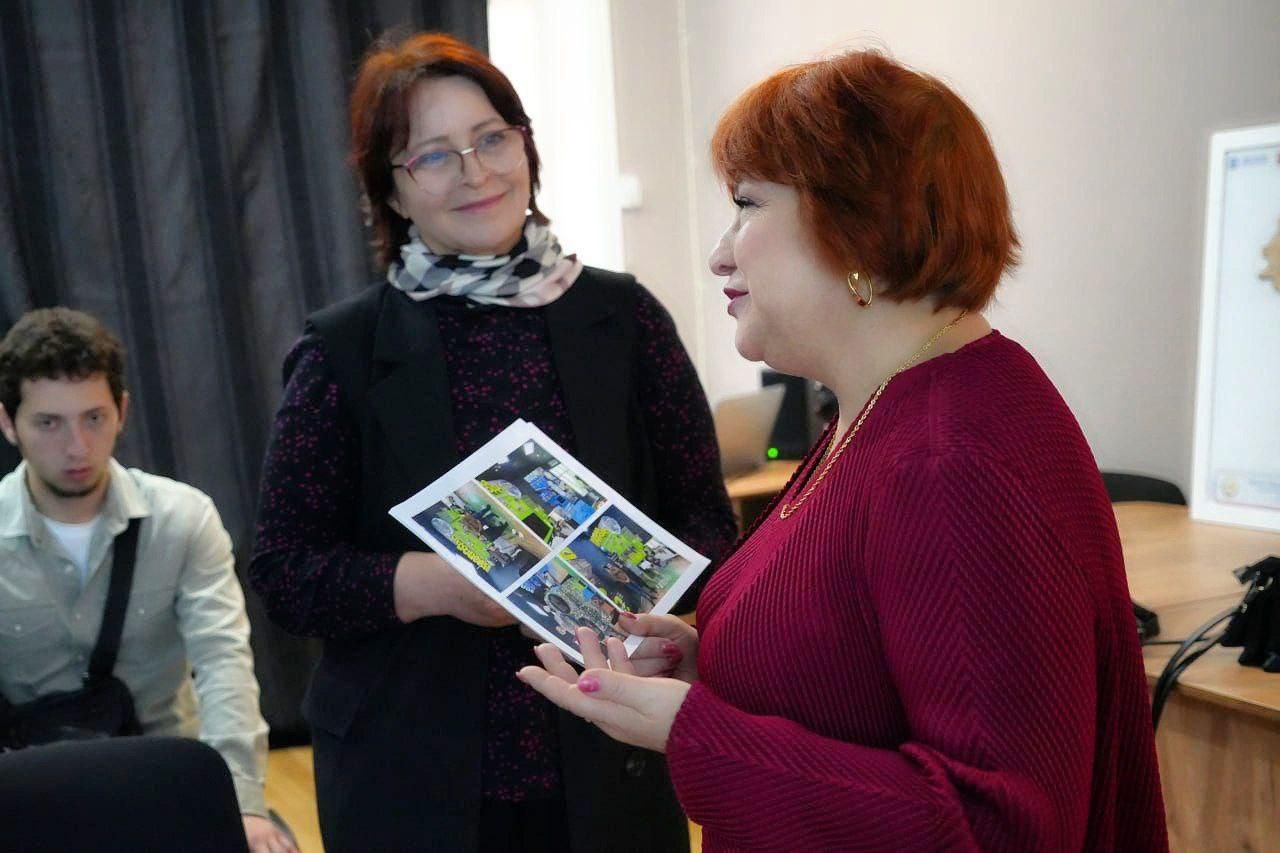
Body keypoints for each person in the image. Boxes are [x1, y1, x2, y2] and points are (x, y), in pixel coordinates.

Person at [518, 50, 1169, 851]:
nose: (720, 253)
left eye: (746, 205)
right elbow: (859, 668)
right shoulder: (890, 401)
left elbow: (997, 825)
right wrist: (714, 670)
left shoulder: (946, 456)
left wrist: (701, 734)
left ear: (854, 221)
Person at [248, 31, 737, 852]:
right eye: (434, 156)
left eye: (491, 139)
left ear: (525, 147)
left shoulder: (624, 319)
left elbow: (708, 522)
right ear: (392, 190)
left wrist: (641, 599)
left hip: (609, 753)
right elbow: (283, 572)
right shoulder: (344, 349)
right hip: (409, 769)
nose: (475, 173)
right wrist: (436, 584)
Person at [0, 308, 294, 853]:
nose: (76, 447)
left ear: (123, 411)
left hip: (164, 776)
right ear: (8, 423)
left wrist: (244, 805)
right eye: (49, 423)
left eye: (94, 418)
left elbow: (223, 661)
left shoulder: (183, 518)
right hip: (30, 788)